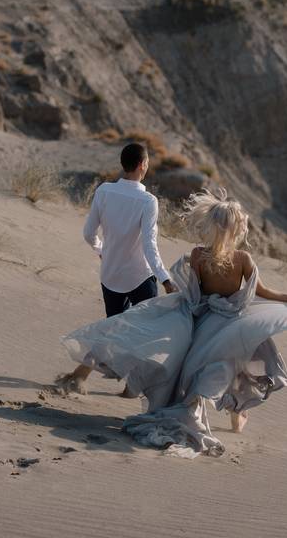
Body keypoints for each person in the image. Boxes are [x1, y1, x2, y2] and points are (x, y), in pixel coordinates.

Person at [55, 189, 287, 457]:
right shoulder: (243, 259)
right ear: (236, 228)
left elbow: (195, 294)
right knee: (237, 359)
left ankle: (79, 374)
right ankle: (237, 415)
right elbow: (262, 292)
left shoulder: (198, 254)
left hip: (195, 316)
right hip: (226, 321)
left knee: (133, 330)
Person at [53, 142, 176, 396]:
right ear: (142, 165)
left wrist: (102, 251)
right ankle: (132, 387)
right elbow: (148, 245)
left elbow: (89, 233)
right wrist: (165, 279)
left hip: (110, 276)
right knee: (145, 333)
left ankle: (80, 378)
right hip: (140, 276)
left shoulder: (104, 191)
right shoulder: (147, 201)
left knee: (112, 331)